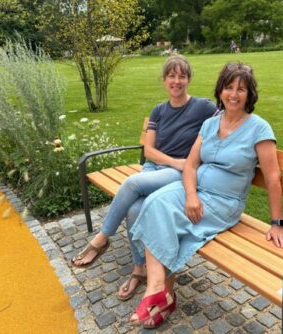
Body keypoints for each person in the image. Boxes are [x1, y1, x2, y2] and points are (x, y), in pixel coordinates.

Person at [128, 63, 283, 328]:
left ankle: (159, 295)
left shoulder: (259, 129)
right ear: (220, 91)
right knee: (154, 203)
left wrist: (277, 223)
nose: (234, 94)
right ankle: (158, 290)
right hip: (195, 191)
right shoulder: (210, 123)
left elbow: (272, 177)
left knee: (165, 217)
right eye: (229, 88)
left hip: (223, 201)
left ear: (250, 95)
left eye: (241, 89)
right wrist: (191, 194)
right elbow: (190, 165)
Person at [71, 55, 218, 301]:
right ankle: (139, 269)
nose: (177, 81)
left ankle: (102, 237)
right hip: (159, 167)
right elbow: (148, 151)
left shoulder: (203, 107)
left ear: (189, 79)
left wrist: (187, 163)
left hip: (179, 173)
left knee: (131, 183)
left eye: (182, 76)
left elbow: (227, 118)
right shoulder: (158, 110)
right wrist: (172, 160)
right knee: (134, 209)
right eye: (172, 76)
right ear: (164, 80)